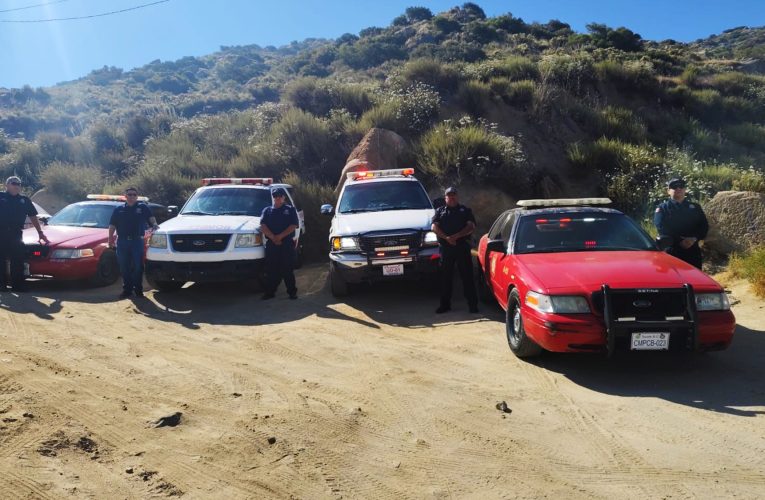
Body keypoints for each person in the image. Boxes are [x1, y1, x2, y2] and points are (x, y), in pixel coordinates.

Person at [431, 187, 478, 314]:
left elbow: (471, 226)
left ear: (457, 197)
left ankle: (473, 305)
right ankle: (445, 305)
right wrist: (446, 238)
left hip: (462, 248)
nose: (452, 198)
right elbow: (434, 227)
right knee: (446, 278)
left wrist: (456, 237)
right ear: (445, 197)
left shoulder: (465, 211)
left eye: (454, 195)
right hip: (446, 250)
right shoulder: (439, 211)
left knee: (467, 277)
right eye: (449, 196)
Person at [0, 176, 49, 292]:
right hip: (1, 232)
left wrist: (40, 232)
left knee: (17, 259)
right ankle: (1, 285)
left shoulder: (24, 200)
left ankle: (17, 285)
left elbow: (33, 216)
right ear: (7, 185)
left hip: (16, 233)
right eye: (13, 183)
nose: (16, 186)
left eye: (19, 184)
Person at [108, 187, 158, 299]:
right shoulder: (118, 209)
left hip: (137, 241)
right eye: (129, 194)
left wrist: (154, 225)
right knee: (124, 267)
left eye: (134, 195)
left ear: (137, 196)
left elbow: (151, 218)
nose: (131, 197)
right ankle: (127, 290)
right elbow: (112, 225)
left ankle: (138, 290)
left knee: (138, 266)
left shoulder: (142, 207)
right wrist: (110, 239)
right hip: (122, 241)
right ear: (125, 196)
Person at [654, 177, 709, 269]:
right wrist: (680, 241)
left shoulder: (695, 207)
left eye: (681, 186)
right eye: (674, 187)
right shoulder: (662, 208)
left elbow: (704, 226)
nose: (678, 188)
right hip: (673, 250)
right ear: (668, 191)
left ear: (685, 189)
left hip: (693, 250)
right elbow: (661, 227)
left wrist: (694, 238)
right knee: (674, 280)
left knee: (695, 279)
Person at [259, 187, 299, 300]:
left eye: (279, 196)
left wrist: (280, 237)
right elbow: (263, 226)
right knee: (271, 270)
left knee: (287, 269)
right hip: (272, 244)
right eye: (275, 196)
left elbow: (293, 226)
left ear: (283, 197)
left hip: (286, 244)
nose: (277, 198)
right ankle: (269, 292)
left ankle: (292, 292)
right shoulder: (267, 210)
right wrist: (273, 238)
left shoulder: (290, 210)